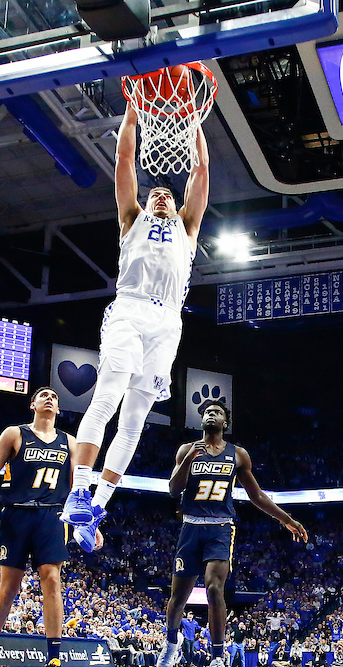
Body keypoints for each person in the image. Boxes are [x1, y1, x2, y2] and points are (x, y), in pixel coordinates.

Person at [60, 103, 210, 550]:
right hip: (129, 309)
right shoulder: (132, 218)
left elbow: (200, 175)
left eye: (168, 193)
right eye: (155, 193)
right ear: (144, 203)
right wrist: (132, 113)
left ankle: (96, 507)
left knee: (135, 422)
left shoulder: (188, 226)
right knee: (107, 395)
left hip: (168, 322)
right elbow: (125, 160)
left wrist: (195, 126)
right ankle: (77, 492)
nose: (161, 195)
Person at [159, 399, 307, 667]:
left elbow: (256, 495)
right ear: (201, 420)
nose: (211, 415)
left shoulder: (238, 454)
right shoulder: (186, 450)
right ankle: (171, 643)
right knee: (178, 598)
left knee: (216, 588)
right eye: (207, 412)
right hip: (190, 527)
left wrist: (285, 518)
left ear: (225, 423)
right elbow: (172, 489)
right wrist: (189, 460)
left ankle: (217, 660)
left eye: (217, 413)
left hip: (220, 528)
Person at [0, 387, 85, 667]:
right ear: (33, 404)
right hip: (16, 514)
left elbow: (77, 488)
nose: (49, 398)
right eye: (43, 395)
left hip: (52, 515)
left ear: (58, 409)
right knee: (9, 587)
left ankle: (54, 664)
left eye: (54, 397)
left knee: (53, 581)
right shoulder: (14, 434)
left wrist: (89, 524)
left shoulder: (69, 442)